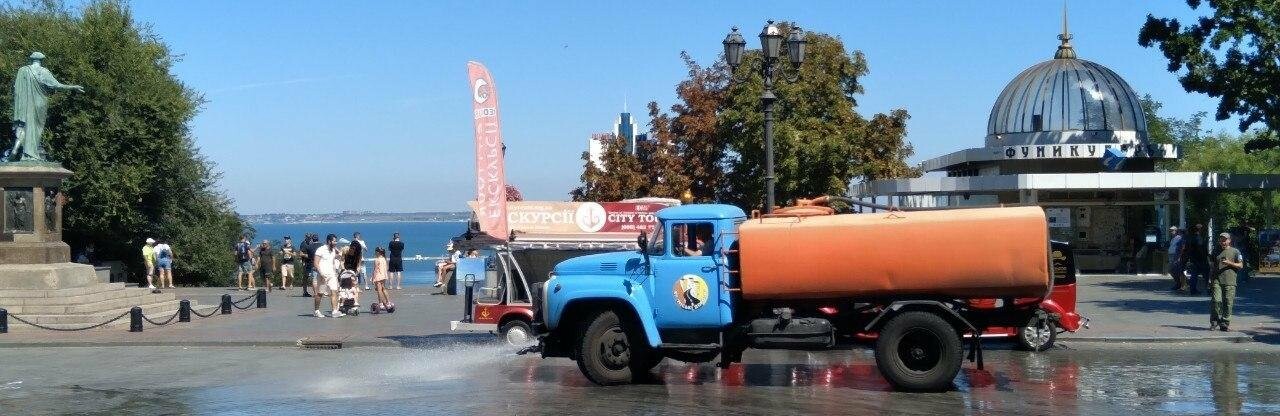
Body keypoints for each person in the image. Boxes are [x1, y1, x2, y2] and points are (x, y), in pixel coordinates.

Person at [1210, 232, 1243, 331]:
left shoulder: (1235, 251)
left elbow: (1241, 265)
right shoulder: (1216, 251)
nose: (1223, 242)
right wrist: (1209, 279)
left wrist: (1229, 263)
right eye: (1221, 240)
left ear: (1229, 241)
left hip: (1230, 281)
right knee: (1216, 301)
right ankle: (1214, 321)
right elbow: (1212, 265)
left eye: (1225, 240)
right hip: (1217, 280)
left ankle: (1224, 323)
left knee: (1228, 302)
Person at [313, 234, 343, 317]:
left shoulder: (333, 250)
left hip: (332, 274)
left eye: (336, 241)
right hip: (323, 275)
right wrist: (321, 273)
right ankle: (316, 311)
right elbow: (316, 263)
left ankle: (334, 311)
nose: (336, 243)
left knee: (334, 291)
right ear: (329, 241)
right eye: (334, 241)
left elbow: (334, 259)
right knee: (320, 293)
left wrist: (336, 272)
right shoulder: (321, 249)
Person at [1185, 224, 1208, 295]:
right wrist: (1204, 258)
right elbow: (1200, 249)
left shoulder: (1189, 238)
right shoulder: (1198, 238)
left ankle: (1193, 289)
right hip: (1199, 259)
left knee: (1194, 274)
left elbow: (1187, 249)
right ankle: (1208, 288)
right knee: (1206, 273)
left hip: (1192, 258)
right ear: (1199, 230)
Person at [1168, 226, 1186, 292]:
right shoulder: (1172, 238)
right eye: (1170, 231)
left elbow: (1182, 248)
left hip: (1176, 256)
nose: (1171, 232)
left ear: (1176, 231)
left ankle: (1181, 284)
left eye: (1172, 230)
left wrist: (1179, 257)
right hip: (1172, 256)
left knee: (1176, 270)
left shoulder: (1179, 238)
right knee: (1172, 270)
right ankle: (1179, 283)